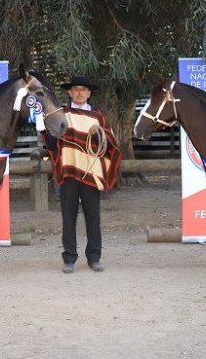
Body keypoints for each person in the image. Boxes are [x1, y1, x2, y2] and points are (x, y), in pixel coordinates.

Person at [42, 76, 122, 274]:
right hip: (68, 171)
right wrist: (47, 130)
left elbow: (109, 145)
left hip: (91, 174)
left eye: (83, 89)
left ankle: (94, 258)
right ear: (70, 92)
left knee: (93, 217)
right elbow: (51, 146)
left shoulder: (98, 117)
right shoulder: (61, 114)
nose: (79, 93)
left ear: (89, 93)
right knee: (68, 218)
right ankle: (69, 258)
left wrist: (99, 136)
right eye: (75, 89)